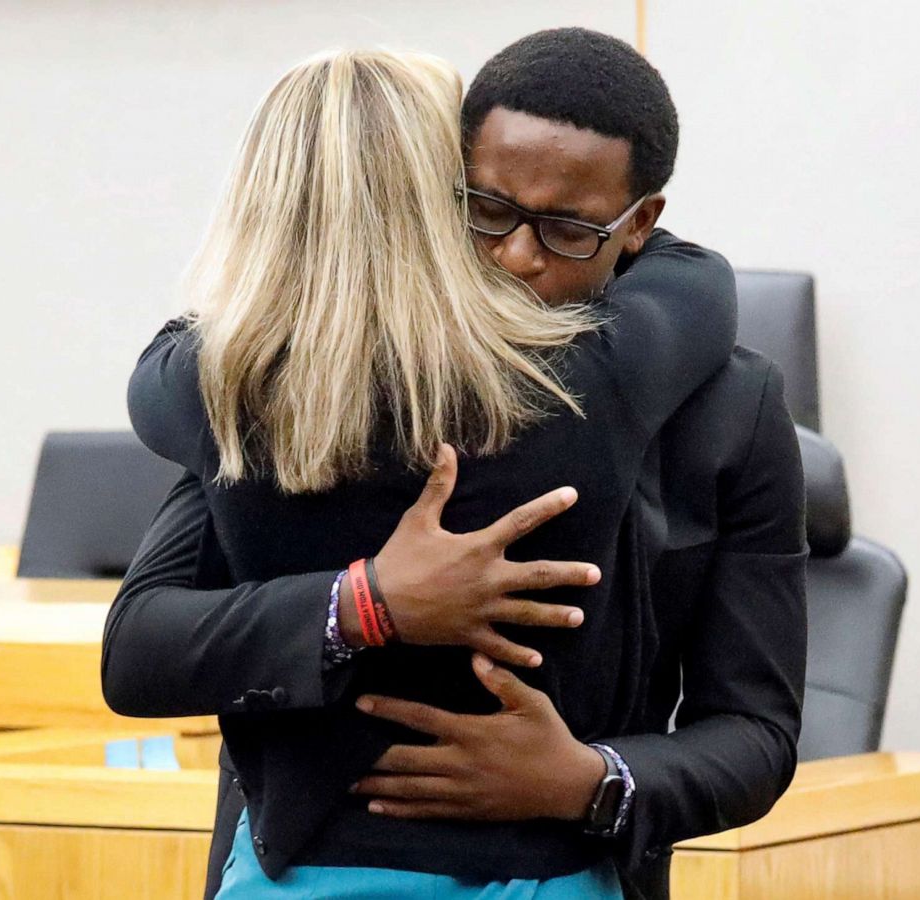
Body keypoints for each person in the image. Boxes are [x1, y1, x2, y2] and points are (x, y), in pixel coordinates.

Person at [101, 45, 746, 898]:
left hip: (297, 869)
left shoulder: (224, 399)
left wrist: (359, 605)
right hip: (538, 869)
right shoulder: (583, 380)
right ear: (439, 197)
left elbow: (135, 640)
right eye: (482, 204)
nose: (516, 252)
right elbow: (700, 282)